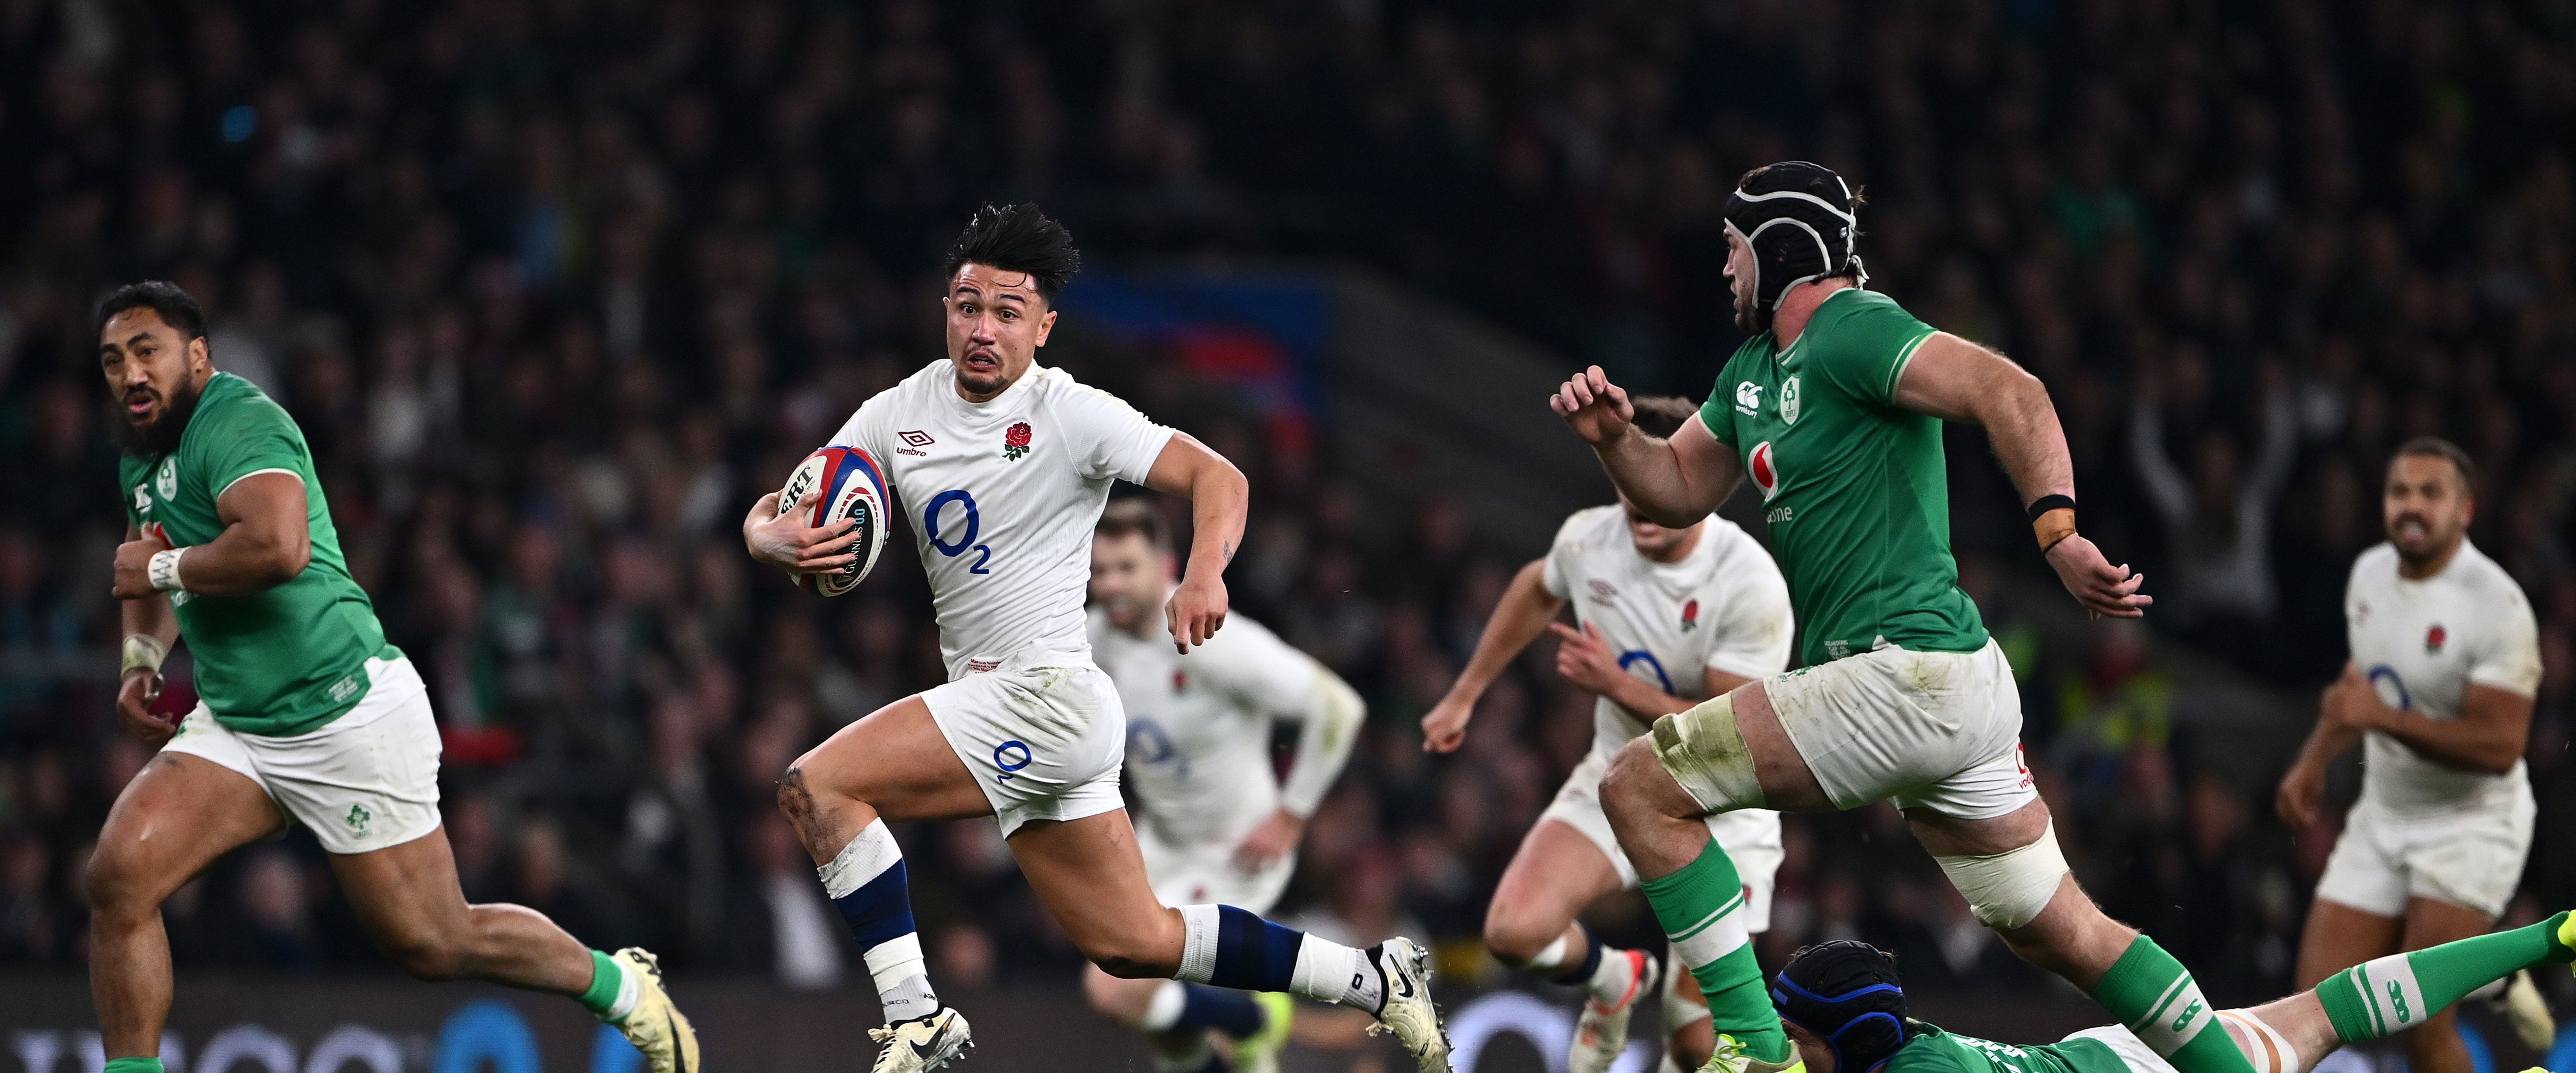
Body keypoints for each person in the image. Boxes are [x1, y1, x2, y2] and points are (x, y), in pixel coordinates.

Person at [1548, 161, 2248, 1073]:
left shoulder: (1854, 329)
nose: (1722, 270)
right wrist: (1614, 442)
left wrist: (2058, 533)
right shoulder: (1751, 372)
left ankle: (1754, 1050)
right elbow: (1677, 488)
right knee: (2062, 935)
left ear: (1777, 246)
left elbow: (2013, 392)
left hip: (1900, 673)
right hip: (1947, 686)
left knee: (1639, 790)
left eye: (1731, 249)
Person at [741, 204, 1449, 1073]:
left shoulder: (1070, 414)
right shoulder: (899, 411)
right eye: (968, 306)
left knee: (817, 788)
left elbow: (1216, 476)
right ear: (945, 310)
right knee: (1135, 945)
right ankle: (1378, 982)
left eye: (1007, 313)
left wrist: (1202, 573)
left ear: (1043, 326)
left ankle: (915, 1017)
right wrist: (763, 536)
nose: (983, 328)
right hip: (1028, 711)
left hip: (1038, 698)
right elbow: (794, 500)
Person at [87, 282, 697, 1073]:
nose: (131, 374)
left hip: (346, 715)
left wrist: (160, 565)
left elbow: (278, 547)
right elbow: (150, 561)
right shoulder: (141, 448)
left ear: (197, 356)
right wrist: (141, 659)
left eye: (147, 352)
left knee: (436, 942)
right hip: (240, 723)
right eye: (112, 360)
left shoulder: (238, 420)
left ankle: (621, 986)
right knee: (119, 876)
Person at [1422, 396, 1795, 1073]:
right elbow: (1538, 587)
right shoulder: (1589, 539)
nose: (1637, 501)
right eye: (1628, 480)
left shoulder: (1749, 584)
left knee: (1695, 1042)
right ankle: (1612, 979)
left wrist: (1618, 686)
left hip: (1724, 810)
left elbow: (1732, 735)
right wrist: (1465, 693)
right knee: (1513, 933)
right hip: (1617, 774)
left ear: (1700, 485)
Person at [2275, 437, 2555, 1071]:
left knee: (2421, 1026)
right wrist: (2314, 759)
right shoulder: (2370, 575)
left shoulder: (2497, 606)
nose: (2412, 506)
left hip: (2471, 825)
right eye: (2400, 491)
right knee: (2308, 1014)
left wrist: (2382, 719)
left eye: (2431, 494)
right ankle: (2494, 977)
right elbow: (2364, 683)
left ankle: (2485, 974)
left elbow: (2499, 744)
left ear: (2465, 511)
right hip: (2384, 817)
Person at [1083, 498, 1367, 1073]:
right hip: (1159, 847)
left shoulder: (1214, 638)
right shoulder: (1093, 641)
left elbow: (1338, 708)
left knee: (1115, 990)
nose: (1110, 584)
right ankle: (1249, 1052)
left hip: (1232, 855)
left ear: (1165, 567)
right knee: (1170, 1035)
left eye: (1125, 568)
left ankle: (1256, 1022)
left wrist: (1291, 817)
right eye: (1099, 571)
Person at [1761, 913, 2575, 1073]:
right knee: (2324, 1013)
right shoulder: (1905, 1042)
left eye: (1799, 1040)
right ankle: (2550, 935)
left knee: (2323, 1018)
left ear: (1856, 1038)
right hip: (2115, 1052)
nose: (1790, 1057)